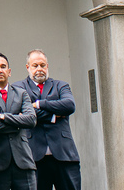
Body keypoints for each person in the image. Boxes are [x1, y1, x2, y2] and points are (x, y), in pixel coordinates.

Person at [13, 51, 80, 190]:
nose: (39, 69)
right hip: (34, 156)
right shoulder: (18, 88)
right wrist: (54, 115)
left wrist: (39, 104)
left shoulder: (61, 85)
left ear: (47, 66)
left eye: (42, 65)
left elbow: (69, 105)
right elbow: (21, 113)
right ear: (28, 67)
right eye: (35, 65)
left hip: (64, 155)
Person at [0, 53, 36, 190]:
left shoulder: (21, 93)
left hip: (23, 161)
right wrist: (18, 123)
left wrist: (2, 117)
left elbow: (31, 120)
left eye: (3, 66)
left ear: (9, 71)